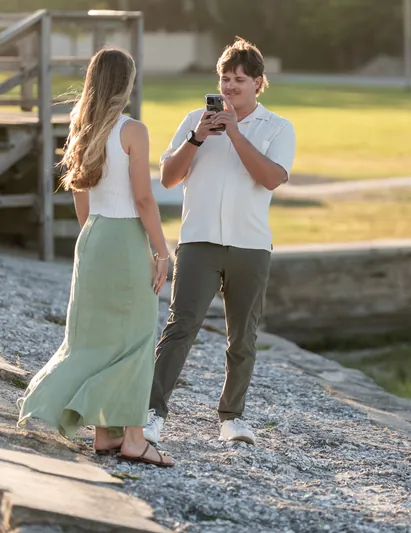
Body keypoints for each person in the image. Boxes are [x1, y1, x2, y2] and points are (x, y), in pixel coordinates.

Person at [17, 48, 174, 467]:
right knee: (137, 338)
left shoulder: (80, 128)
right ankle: (134, 440)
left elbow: (81, 198)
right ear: (126, 84)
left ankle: (106, 434)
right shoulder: (133, 131)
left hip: (94, 237)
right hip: (124, 239)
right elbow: (143, 198)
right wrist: (162, 251)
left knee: (97, 338)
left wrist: (92, 237)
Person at [144, 37, 296, 445]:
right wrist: (196, 138)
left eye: (239, 80)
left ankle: (232, 418)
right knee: (180, 327)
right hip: (198, 241)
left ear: (259, 83)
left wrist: (234, 134)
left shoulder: (279, 127)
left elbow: (269, 178)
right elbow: (169, 178)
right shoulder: (196, 119)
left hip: (250, 245)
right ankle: (152, 412)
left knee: (242, 337)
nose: (229, 87)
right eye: (225, 79)